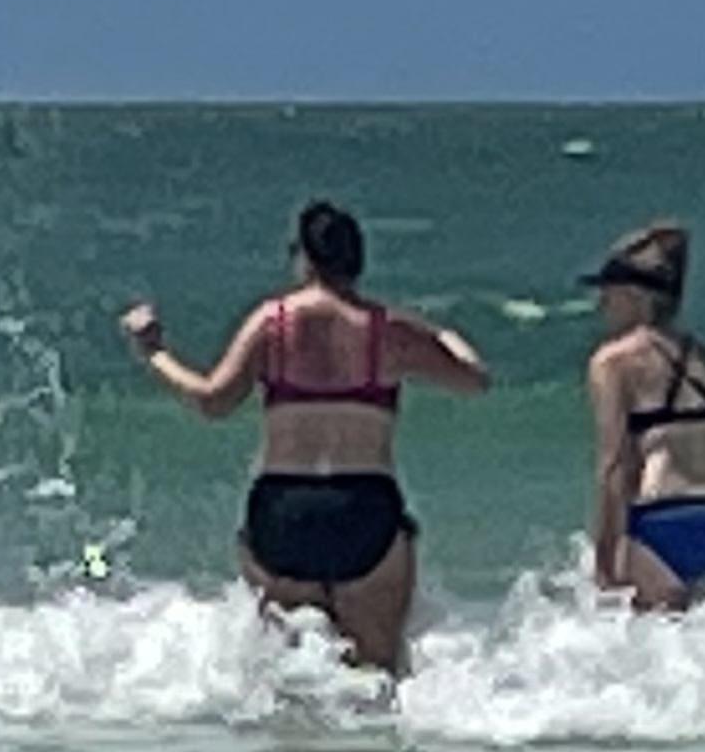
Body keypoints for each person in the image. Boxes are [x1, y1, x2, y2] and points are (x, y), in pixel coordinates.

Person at [117, 198, 490, 675]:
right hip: (363, 507)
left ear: (305, 258)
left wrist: (153, 353)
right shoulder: (386, 330)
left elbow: (212, 400)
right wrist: (443, 333)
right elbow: (474, 379)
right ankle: (374, 751)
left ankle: (292, 751)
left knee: (289, 676)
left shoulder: (272, 324)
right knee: (379, 675)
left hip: (283, 508)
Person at [580, 219, 705, 612]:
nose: (601, 305)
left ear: (633, 295)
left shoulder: (613, 362)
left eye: (608, 293)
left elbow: (613, 464)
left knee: (653, 655)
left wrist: (606, 556)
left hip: (662, 516)